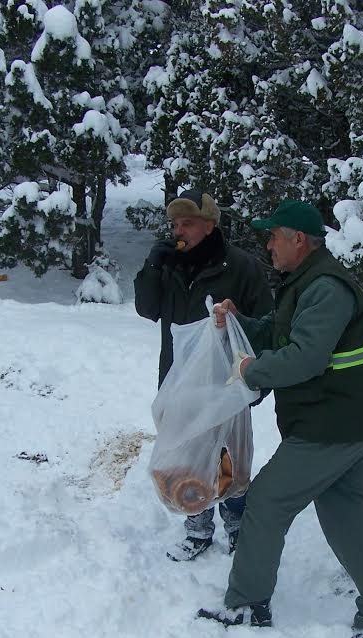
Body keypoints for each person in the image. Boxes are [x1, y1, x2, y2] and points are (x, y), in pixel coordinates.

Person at [199, 200, 363, 638]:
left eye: (273, 236)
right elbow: (279, 332)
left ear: (297, 238)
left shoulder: (326, 287)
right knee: (345, 512)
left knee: (266, 502)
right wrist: (240, 322)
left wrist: (250, 370)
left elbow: (306, 357)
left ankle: (248, 603)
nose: (267, 244)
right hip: (344, 418)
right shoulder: (305, 282)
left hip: (331, 423)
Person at [134, 189, 273, 561]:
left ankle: (237, 528)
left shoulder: (241, 267)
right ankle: (196, 527)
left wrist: (258, 380)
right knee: (185, 454)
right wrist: (151, 266)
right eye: (175, 224)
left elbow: (266, 324)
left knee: (228, 458)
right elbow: (147, 309)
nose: (179, 231)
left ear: (210, 226)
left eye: (188, 223)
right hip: (178, 380)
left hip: (225, 382)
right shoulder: (168, 265)